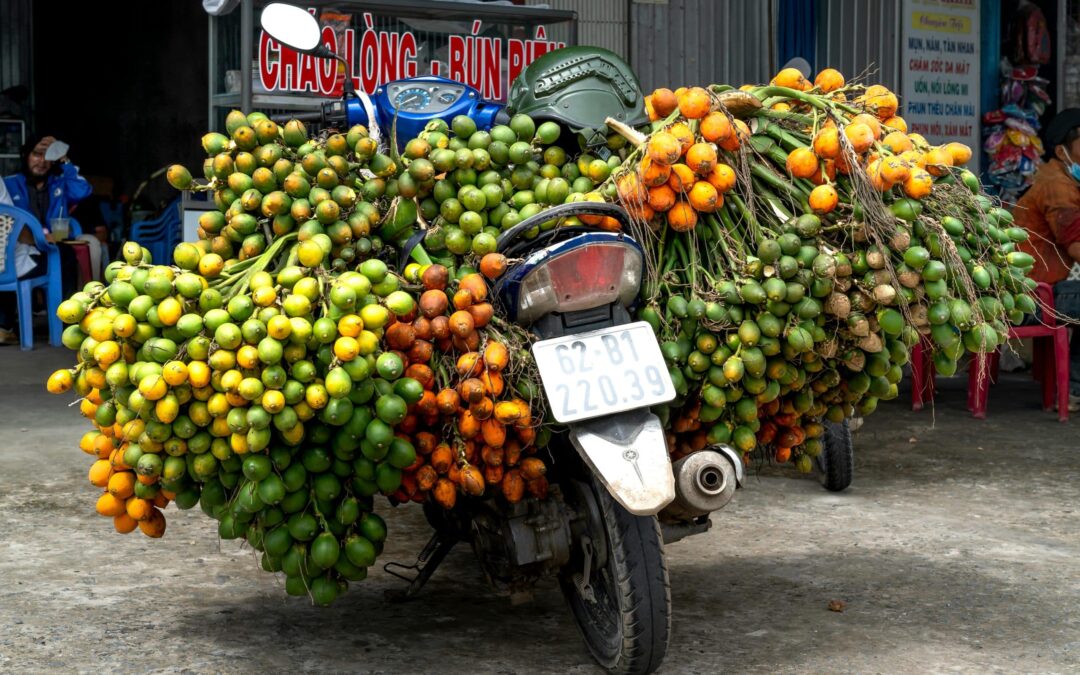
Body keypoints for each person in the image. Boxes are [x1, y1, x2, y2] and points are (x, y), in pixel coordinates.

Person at [1013, 108, 1080, 411]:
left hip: (1045, 288)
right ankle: (1074, 390)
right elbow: (1076, 246)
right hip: (1036, 297)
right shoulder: (1057, 185)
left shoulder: (1063, 178)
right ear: (1062, 150)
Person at [3, 135, 105, 286]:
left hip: (56, 242)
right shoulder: (9, 184)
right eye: (37, 154)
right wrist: (38, 237)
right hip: (25, 244)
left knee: (69, 253)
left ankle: (75, 299)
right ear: (26, 156)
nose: (42, 161)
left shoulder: (59, 182)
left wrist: (63, 158)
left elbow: (83, 191)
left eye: (48, 156)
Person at [0, 168, 49, 345]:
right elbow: (10, 220)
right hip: (7, 267)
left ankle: (5, 326)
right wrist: (40, 240)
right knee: (54, 258)